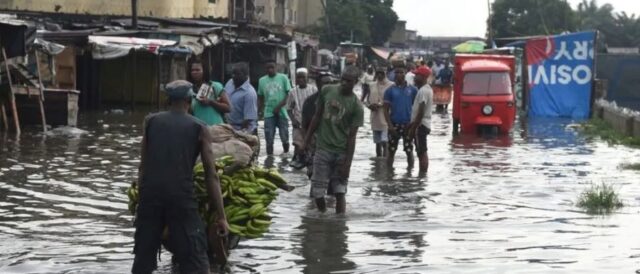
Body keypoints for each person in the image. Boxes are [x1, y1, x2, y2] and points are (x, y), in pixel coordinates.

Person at [132, 80, 229, 274]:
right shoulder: (200, 127)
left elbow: (143, 167)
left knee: (142, 262)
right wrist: (221, 217)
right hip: (181, 198)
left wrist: (140, 205)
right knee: (197, 262)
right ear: (189, 100)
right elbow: (211, 174)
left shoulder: (151, 121)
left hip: (150, 198)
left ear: (168, 100)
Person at [303, 66, 364, 214]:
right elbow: (317, 116)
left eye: (348, 81)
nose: (344, 83)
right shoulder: (327, 90)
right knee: (317, 192)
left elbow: (352, 137)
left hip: (341, 152)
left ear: (355, 82)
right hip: (323, 149)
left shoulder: (357, 106)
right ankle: (323, 216)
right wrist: (307, 139)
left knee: (340, 192)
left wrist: (347, 164)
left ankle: (339, 227)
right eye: (342, 79)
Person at [384, 66, 418, 168]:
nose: (399, 74)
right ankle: (389, 175)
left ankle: (410, 176)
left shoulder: (413, 90)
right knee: (391, 151)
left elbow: (416, 108)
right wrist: (390, 126)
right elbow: (385, 110)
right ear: (394, 75)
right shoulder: (389, 91)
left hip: (408, 124)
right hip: (394, 124)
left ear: (405, 74)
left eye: (401, 72)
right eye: (397, 72)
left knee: (409, 150)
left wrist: (413, 124)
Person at [258, 61, 292, 155]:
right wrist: (259, 111)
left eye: (272, 67)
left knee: (284, 137)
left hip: (282, 112)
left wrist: (279, 106)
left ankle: (286, 155)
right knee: (269, 139)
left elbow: (289, 94)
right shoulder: (261, 80)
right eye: (268, 68)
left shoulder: (283, 78)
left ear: (276, 67)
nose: (270, 70)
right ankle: (270, 159)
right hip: (268, 112)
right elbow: (260, 97)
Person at [287, 68, 317, 169]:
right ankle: (297, 162)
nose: (300, 79)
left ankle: (309, 162)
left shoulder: (313, 90)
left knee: (311, 145)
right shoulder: (292, 92)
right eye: (298, 77)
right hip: (298, 123)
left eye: (303, 77)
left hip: (311, 123)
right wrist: (293, 120)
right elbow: (289, 109)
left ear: (307, 79)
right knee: (298, 144)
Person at [188, 61, 230, 126]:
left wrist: (211, 102)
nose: (194, 72)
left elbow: (228, 108)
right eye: (192, 70)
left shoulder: (215, 86)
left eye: (197, 70)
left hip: (216, 129)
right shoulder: (190, 90)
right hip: (200, 130)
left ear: (204, 71)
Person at [408, 66, 433, 174]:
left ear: (422, 77)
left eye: (416, 75)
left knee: (421, 152)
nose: (414, 77)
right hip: (423, 124)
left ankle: (422, 176)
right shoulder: (427, 89)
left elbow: (421, 111)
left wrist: (413, 128)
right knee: (421, 151)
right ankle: (422, 176)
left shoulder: (423, 91)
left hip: (420, 126)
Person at [225, 63, 258, 134]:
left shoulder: (249, 93)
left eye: (237, 74)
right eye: (233, 73)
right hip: (229, 127)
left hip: (244, 129)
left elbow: (248, 119)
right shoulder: (230, 83)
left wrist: (237, 133)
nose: (233, 76)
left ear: (246, 75)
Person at [367, 67, 393, 158]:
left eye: (381, 73)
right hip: (375, 116)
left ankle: (385, 160)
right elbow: (368, 99)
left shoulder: (391, 85)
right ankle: (378, 162)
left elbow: (393, 100)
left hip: (386, 116)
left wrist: (381, 105)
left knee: (384, 141)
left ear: (385, 74)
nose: (379, 75)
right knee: (377, 142)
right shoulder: (372, 85)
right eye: (378, 73)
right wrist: (369, 105)